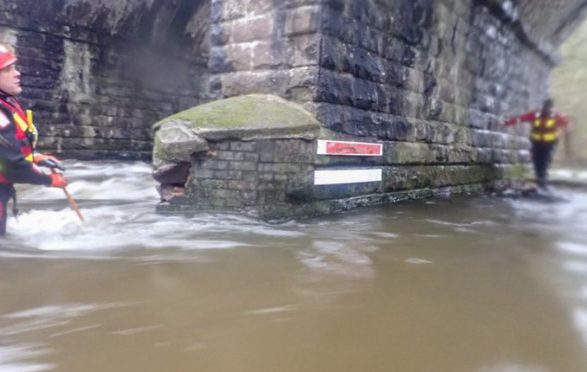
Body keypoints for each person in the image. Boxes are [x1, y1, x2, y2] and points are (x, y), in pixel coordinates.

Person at [0, 43, 67, 236]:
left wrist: (35, 157)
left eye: (15, 67)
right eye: (7, 69)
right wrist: (49, 179)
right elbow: (12, 166)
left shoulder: (6, 102)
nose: (17, 73)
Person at [503, 98, 570, 190]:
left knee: (544, 161)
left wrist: (567, 130)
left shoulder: (556, 116)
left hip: (549, 144)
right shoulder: (535, 114)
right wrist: (507, 122)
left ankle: (542, 182)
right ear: (543, 107)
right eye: (545, 107)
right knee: (536, 161)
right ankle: (540, 182)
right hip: (536, 143)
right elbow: (521, 119)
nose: (546, 110)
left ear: (551, 108)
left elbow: (566, 123)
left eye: (548, 108)